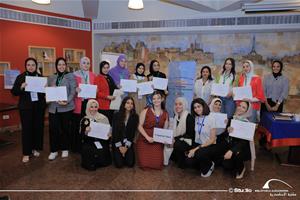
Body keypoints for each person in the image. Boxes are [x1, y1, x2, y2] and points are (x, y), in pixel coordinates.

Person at [11, 57, 46, 163]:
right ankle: (26, 153)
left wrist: (45, 87)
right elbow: (14, 92)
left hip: (38, 108)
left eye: (33, 65)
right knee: (27, 130)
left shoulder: (40, 77)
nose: (31, 67)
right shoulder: (21, 77)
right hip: (26, 108)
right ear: (25, 66)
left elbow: (43, 93)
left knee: (37, 129)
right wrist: (21, 87)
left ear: (36, 66)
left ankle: (35, 149)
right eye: (28, 65)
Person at [47, 57, 76, 160]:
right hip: (53, 108)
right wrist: (48, 92)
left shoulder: (70, 76)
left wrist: (67, 101)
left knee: (65, 129)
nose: (61, 66)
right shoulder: (51, 77)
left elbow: (73, 91)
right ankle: (54, 150)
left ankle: (65, 148)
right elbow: (47, 90)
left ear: (66, 65)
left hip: (66, 107)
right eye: (59, 64)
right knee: (53, 129)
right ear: (56, 66)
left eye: (63, 64)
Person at [136, 91, 169, 170]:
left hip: (157, 141)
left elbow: (165, 130)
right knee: (144, 165)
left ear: (162, 99)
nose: (156, 100)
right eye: (154, 98)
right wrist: (147, 137)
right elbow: (139, 126)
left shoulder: (165, 113)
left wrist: (165, 139)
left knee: (157, 165)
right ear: (151, 100)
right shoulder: (146, 110)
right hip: (144, 140)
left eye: (158, 98)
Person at [185, 98, 217, 177]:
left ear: (203, 106)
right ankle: (202, 163)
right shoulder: (196, 118)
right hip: (198, 143)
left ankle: (210, 165)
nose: (196, 109)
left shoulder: (211, 118)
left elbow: (213, 139)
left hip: (209, 145)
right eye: (195, 107)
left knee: (199, 154)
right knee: (188, 161)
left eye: (198, 106)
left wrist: (195, 149)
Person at [222, 101, 254, 179]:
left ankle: (242, 168)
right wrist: (227, 130)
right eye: (239, 105)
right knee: (226, 166)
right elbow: (225, 136)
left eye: (244, 107)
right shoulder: (231, 118)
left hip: (242, 148)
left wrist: (232, 151)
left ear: (247, 111)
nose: (240, 108)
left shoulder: (247, 123)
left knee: (237, 156)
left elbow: (243, 142)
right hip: (231, 145)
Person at [71, 57, 96, 153]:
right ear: (80, 64)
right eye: (84, 63)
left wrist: (96, 90)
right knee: (78, 125)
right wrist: (75, 89)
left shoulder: (93, 75)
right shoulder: (74, 75)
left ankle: (87, 145)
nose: (86, 65)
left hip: (89, 103)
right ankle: (77, 147)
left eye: (88, 63)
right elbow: (70, 88)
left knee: (88, 124)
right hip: (78, 103)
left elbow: (95, 89)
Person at [80, 99, 112, 170]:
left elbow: (109, 131)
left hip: (101, 141)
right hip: (89, 141)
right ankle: (91, 164)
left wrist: (109, 134)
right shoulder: (85, 119)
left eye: (95, 107)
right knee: (88, 149)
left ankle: (99, 163)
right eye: (91, 107)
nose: (94, 109)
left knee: (102, 150)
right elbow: (81, 136)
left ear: (98, 107)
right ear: (88, 107)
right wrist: (86, 131)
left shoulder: (104, 118)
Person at [112, 97, 139, 168]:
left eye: (131, 103)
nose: (129, 105)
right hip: (118, 142)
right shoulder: (116, 115)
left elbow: (132, 134)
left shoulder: (135, 117)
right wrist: (120, 146)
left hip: (128, 142)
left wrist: (126, 147)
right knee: (119, 165)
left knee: (130, 163)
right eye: (127, 103)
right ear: (124, 104)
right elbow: (114, 133)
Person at [170, 97, 195, 167]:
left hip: (189, 140)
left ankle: (183, 161)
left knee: (177, 144)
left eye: (180, 104)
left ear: (184, 105)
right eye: (176, 104)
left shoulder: (189, 117)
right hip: (180, 138)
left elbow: (190, 135)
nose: (177, 106)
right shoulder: (176, 116)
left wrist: (175, 139)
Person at [95, 61, 118, 125]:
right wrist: (107, 96)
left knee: (110, 122)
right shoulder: (97, 78)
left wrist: (118, 87)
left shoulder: (109, 77)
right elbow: (97, 93)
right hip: (102, 105)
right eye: (104, 68)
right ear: (100, 68)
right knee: (103, 124)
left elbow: (113, 87)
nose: (106, 69)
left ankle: (109, 135)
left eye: (107, 68)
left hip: (112, 104)